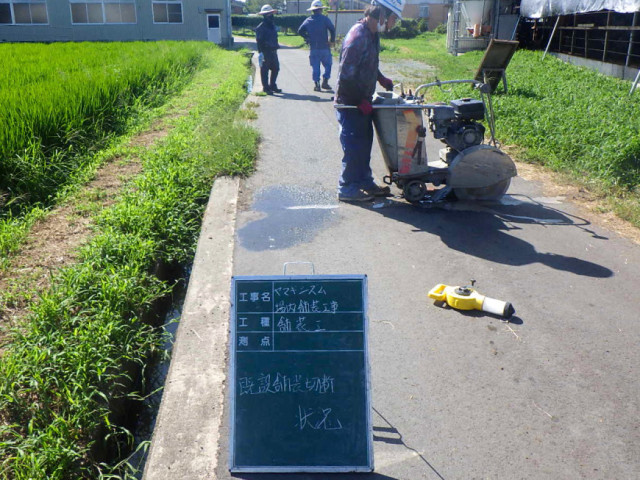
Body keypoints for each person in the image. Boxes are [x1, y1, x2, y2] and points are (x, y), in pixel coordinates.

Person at [334, 0, 404, 202]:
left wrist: (379, 77)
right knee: (353, 147)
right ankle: (347, 188)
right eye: (393, 19)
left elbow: (367, 62)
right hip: (350, 103)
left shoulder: (373, 35)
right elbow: (346, 75)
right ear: (381, 15)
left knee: (364, 145)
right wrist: (357, 101)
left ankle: (364, 182)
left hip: (363, 100)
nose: (393, 24)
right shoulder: (358, 36)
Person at [297, 0, 336, 92]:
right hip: (324, 47)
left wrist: (307, 38)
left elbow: (300, 31)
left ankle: (317, 84)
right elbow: (332, 29)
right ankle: (325, 81)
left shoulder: (308, 20)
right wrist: (332, 41)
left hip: (314, 47)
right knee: (328, 65)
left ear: (313, 10)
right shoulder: (325, 19)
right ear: (321, 9)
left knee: (315, 66)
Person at [255, 4, 282, 95]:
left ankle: (272, 85)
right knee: (265, 71)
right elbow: (259, 41)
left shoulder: (272, 26)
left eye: (271, 13)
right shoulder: (260, 27)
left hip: (274, 51)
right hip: (265, 52)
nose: (270, 16)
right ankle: (266, 88)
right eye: (268, 14)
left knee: (276, 68)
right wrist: (261, 54)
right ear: (264, 16)